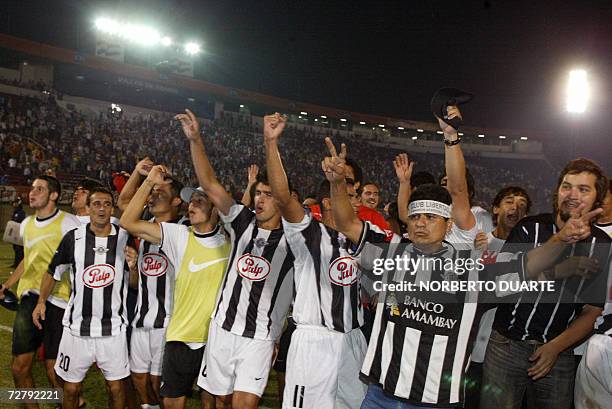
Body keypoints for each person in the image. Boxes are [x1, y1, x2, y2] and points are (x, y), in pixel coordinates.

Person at [325, 107, 603, 409]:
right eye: (416, 216)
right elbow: (347, 223)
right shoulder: (391, 253)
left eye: (431, 217)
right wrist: (338, 183)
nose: (420, 223)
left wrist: (561, 239)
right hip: (380, 395)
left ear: (448, 225)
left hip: (436, 402)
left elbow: (527, 266)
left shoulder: (469, 269)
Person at [175, 109, 294, 409]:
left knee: (243, 404)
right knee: (221, 400)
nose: (261, 199)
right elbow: (211, 184)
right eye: (258, 193)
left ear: (281, 198)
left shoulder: (295, 241)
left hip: (259, 337)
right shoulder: (242, 221)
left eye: (268, 194)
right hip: (223, 329)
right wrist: (196, 139)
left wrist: (271, 143)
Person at [482, 158, 611, 409]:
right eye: (566, 186)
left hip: (558, 352)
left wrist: (554, 348)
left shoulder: (601, 244)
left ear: (598, 199)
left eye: (583, 189)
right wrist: (561, 251)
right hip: (505, 345)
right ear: (557, 192)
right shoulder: (530, 229)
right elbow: (502, 284)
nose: (572, 195)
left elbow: (591, 310)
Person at [264, 113, 367, 409]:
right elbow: (283, 199)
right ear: (327, 201)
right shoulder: (308, 232)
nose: (356, 202)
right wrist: (271, 143)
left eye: (356, 196)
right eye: (349, 195)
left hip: (353, 338)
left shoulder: (363, 238)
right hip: (315, 341)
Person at [120, 164, 230, 409]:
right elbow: (128, 221)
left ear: (216, 209)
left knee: (216, 402)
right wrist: (148, 182)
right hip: (180, 336)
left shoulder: (232, 241)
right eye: (191, 201)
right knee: (171, 402)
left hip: (215, 336)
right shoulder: (178, 235)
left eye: (200, 200)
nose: (192, 205)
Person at [32, 187, 131, 409]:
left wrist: (133, 268)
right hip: (77, 330)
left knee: (116, 388)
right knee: (70, 388)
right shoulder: (73, 238)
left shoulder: (124, 238)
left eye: (107, 204)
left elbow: (133, 283)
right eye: (96, 204)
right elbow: (52, 272)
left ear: (112, 208)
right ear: (87, 208)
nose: (102, 209)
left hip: (113, 330)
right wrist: (41, 302)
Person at [0, 175, 80, 409]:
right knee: (19, 367)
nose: (32, 193)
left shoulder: (70, 223)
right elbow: (27, 258)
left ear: (54, 195)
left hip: (60, 299)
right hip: (29, 297)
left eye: (40, 189)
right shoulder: (25, 224)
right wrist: (8, 284)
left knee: (55, 370)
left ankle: (70, 402)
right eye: (32, 188)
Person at [118, 161, 185, 407]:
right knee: (138, 379)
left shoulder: (184, 230)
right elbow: (124, 204)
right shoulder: (146, 229)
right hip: (141, 318)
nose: (153, 197)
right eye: (152, 193)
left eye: (161, 193)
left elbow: (125, 214)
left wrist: (148, 181)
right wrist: (138, 173)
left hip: (167, 322)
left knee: (159, 384)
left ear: (177, 201)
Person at [465, 186, 531, 409]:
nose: (516, 208)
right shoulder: (481, 244)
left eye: (522, 205)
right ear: (495, 209)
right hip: (478, 347)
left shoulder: (531, 251)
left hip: (513, 351)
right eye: (510, 202)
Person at [11, 197, 26, 267]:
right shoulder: (15, 212)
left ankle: (19, 264)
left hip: (20, 233)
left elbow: (20, 222)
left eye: (15, 202)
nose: (14, 204)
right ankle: (16, 263)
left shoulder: (21, 212)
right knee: (15, 248)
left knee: (19, 249)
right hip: (15, 232)